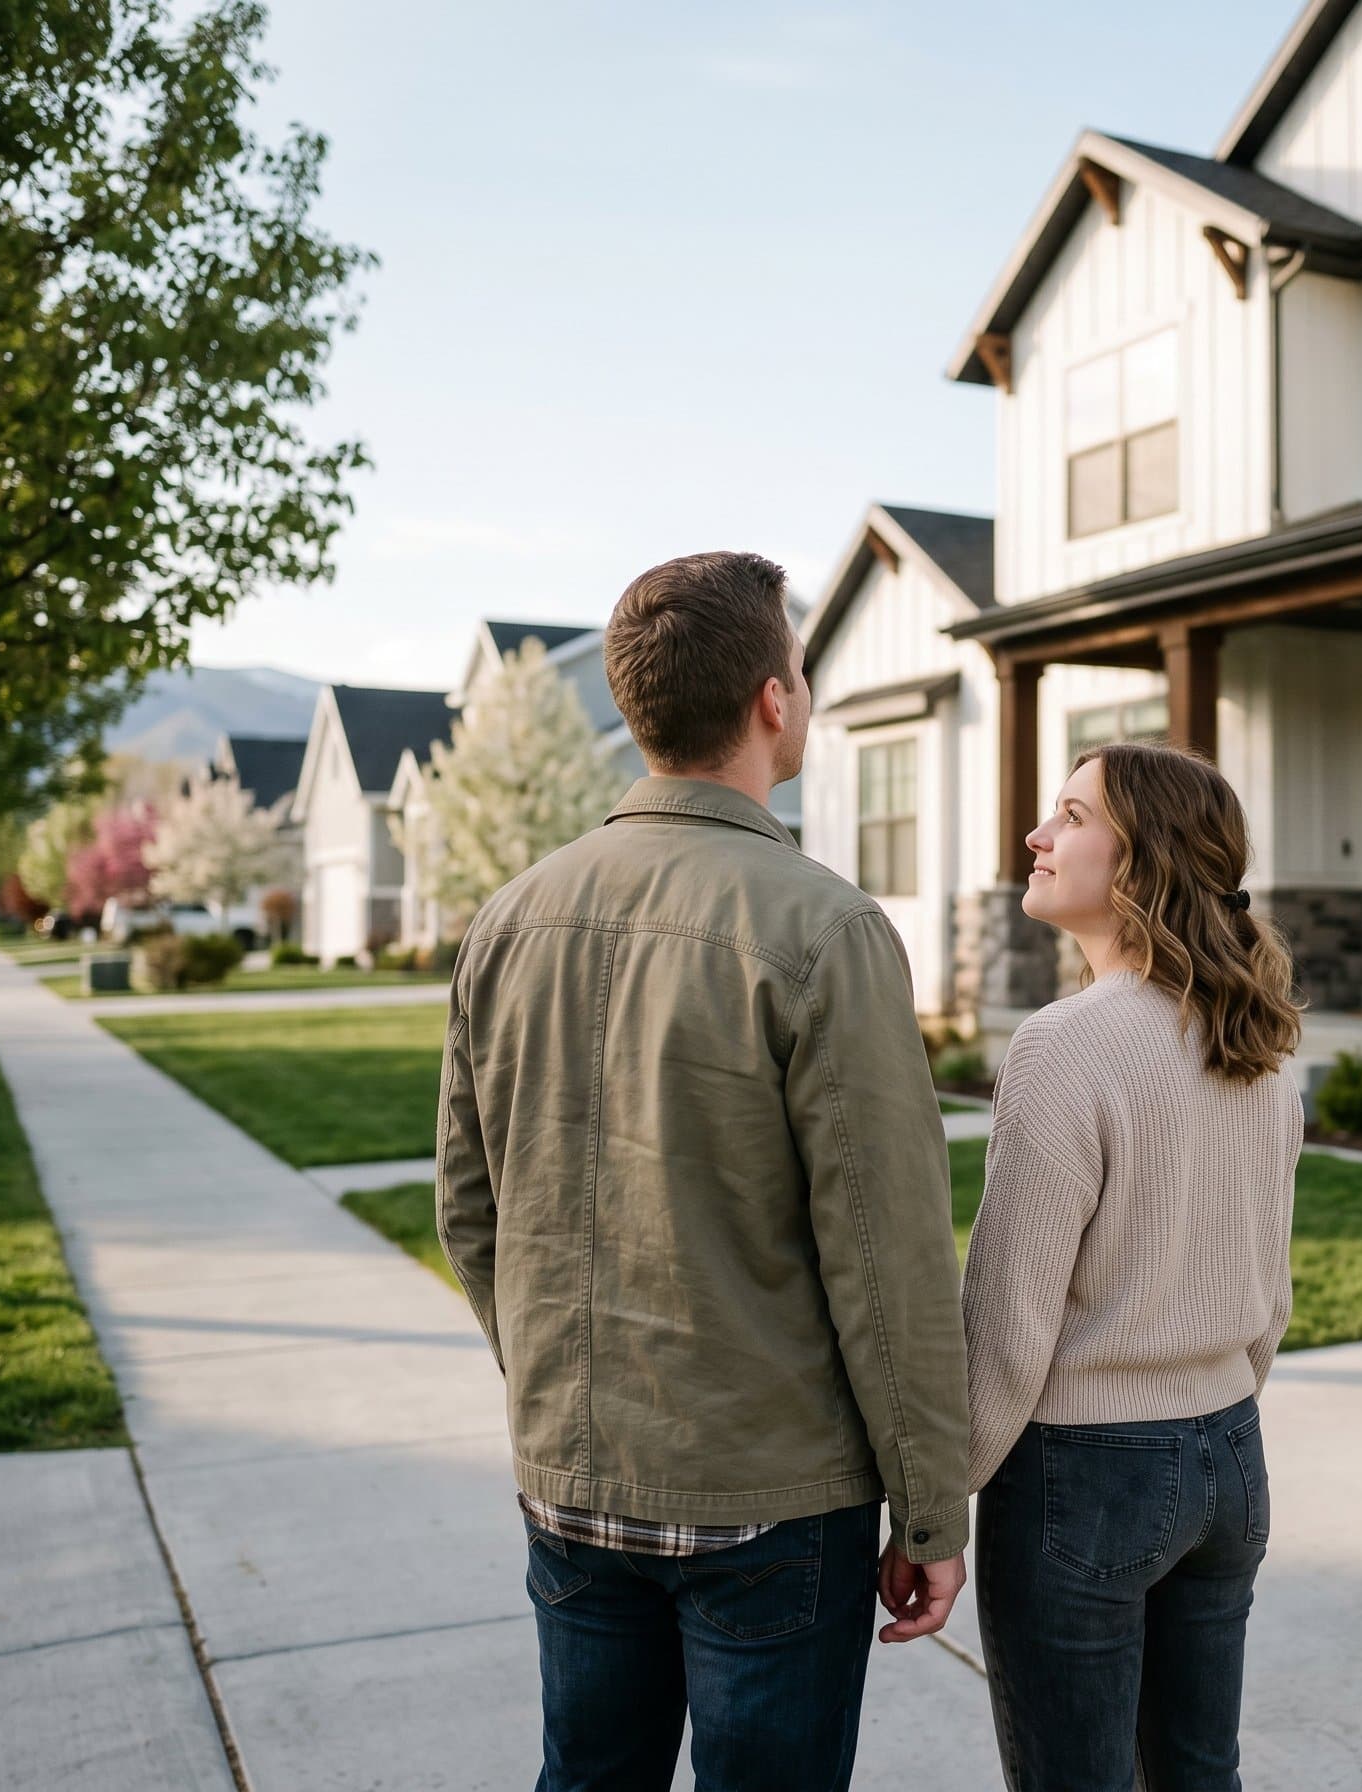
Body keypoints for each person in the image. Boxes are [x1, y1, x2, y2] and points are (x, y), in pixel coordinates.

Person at [435, 550, 971, 1792]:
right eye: (797, 660)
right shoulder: (824, 928)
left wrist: (558, 1377)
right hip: (770, 1503)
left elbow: (471, 1212)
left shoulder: (508, 918)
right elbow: (887, 1258)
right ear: (772, 701)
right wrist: (933, 1511)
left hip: (571, 1477)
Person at [963, 739, 1304, 1792]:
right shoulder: (1261, 1039)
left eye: (1069, 815)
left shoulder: (1066, 1043)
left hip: (1084, 1475)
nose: (1037, 835)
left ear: (1141, 857)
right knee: (1202, 1777)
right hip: (1231, 1460)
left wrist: (937, 1499)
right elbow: (1269, 1297)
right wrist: (1214, 1403)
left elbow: (1010, 1325)